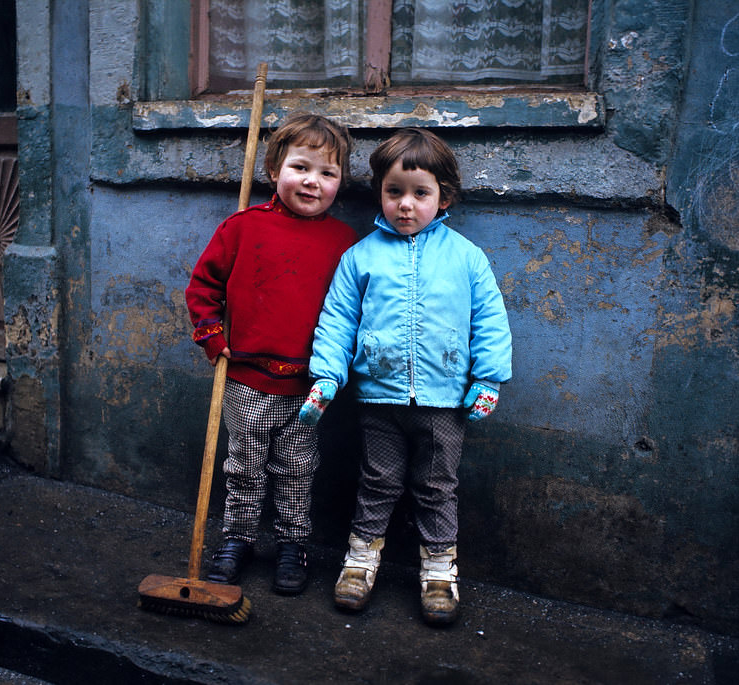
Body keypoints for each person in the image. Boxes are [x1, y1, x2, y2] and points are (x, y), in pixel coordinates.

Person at [298, 127, 512, 625]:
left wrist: (488, 381)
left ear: (444, 197)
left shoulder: (465, 258)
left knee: (436, 486)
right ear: (380, 193)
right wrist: (326, 378)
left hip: (446, 402)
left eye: (421, 193)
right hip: (379, 400)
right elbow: (337, 320)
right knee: (377, 482)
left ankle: (439, 570)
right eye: (394, 192)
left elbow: (490, 321)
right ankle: (359, 561)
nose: (406, 206)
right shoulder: (361, 257)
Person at [185, 112, 357, 595]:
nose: (312, 181)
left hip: (311, 384)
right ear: (274, 168)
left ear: (341, 182)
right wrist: (214, 339)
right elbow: (203, 287)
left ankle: (292, 544)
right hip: (244, 377)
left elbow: (353, 312)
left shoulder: (345, 243)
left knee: (298, 469)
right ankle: (237, 539)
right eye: (301, 167)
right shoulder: (242, 228)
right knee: (243, 464)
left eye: (328, 173)